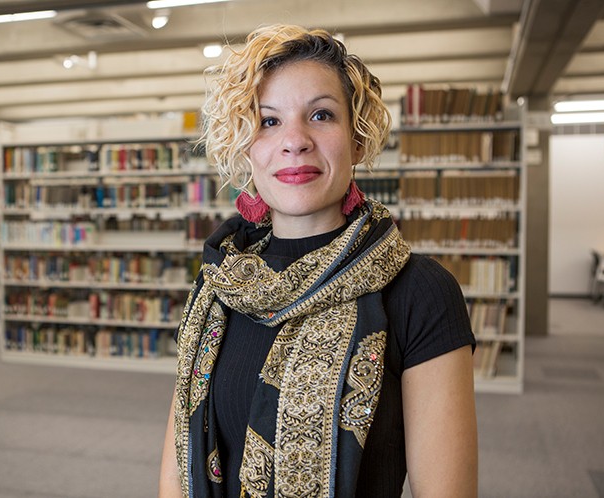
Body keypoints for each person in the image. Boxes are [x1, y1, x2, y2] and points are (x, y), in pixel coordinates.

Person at [159, 24, 477, 498]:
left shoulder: (420, 292)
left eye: (322, 115)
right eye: (269, 121)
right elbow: (175, 474)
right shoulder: (219, 284)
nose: (295, 140)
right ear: (247, 145)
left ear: (358, 138)